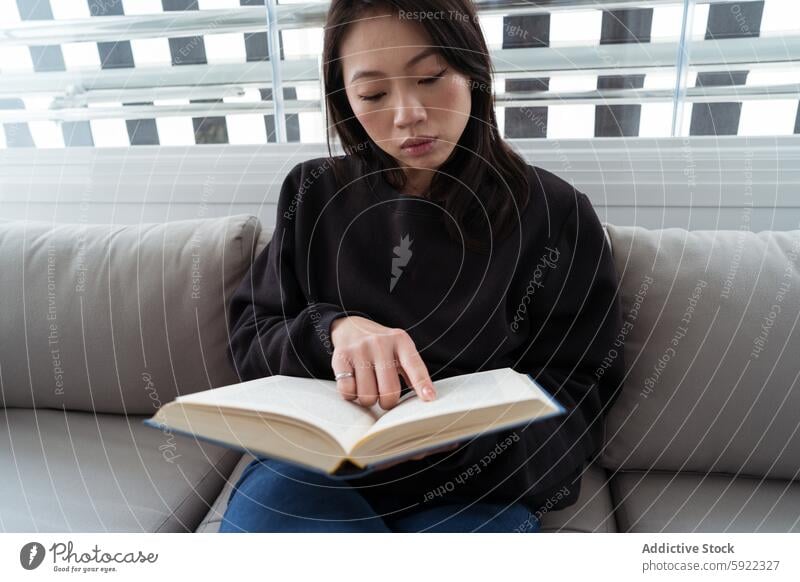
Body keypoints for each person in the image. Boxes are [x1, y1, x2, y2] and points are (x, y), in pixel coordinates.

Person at [219, 0, 625, 533]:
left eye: (431, 78)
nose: (408, 114)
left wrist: (466, 444)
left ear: (473, 71)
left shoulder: (554, 213)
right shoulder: (314, 194)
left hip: (477, 488)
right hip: (318, 473)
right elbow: (253, 340)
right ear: (345, 98)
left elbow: (579, 391)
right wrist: (332, 330)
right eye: (373, 94)